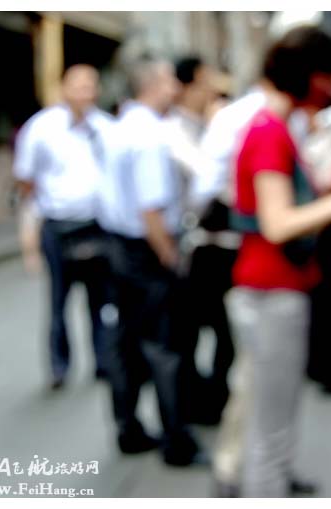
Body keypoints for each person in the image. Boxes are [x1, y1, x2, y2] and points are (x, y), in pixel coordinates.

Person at [226, 26, 331, 497]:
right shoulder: (269, 131)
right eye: (328, 76)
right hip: (271, 290)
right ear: (309, 75)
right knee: (272, 427)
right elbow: (279, 223)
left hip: (272, 288)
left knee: (273, 419)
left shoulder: (274, 127)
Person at [97, 57, 200, 465]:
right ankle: (176, 439)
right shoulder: (151, 135)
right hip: (145, 248)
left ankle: (128, 426)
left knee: (126, 341)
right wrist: (169, 255)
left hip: (119, 245)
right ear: (156, 85)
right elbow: (151, 208)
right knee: (164, 345)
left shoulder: (121, 127)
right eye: (171, 81)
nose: (176, 88)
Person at [12, 64, 114, 390]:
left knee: (101, 300)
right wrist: (30, 236)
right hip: (57, 225)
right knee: (59, 300)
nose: (85, 92)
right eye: (78, 86)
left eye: (90, 86)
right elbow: (26, 180)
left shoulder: (106, 128)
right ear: (64, 89)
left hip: (97, 223)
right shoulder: (41, 128)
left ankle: (103, 361)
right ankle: (59, 366)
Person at [164, 55, 236, 425]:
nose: (214, 88)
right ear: (189, 84)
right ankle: (194, 407)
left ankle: (213, 400)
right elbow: (210, 181)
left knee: (225, 335)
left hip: (219, 248)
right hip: (192, 249)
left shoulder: (207, 125)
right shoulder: (174, 130)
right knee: (192, 336)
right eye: (207, 79)